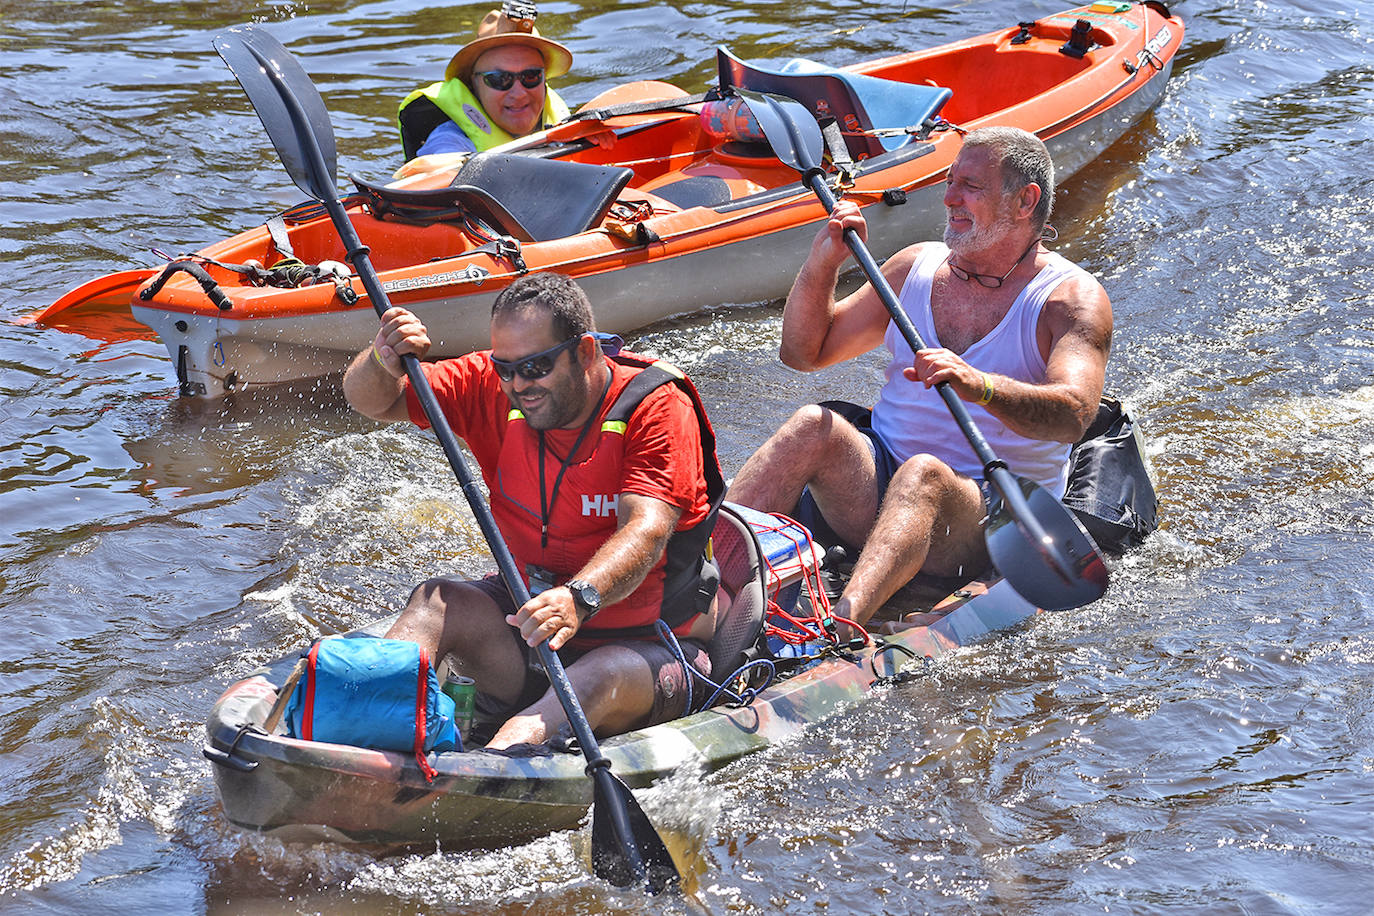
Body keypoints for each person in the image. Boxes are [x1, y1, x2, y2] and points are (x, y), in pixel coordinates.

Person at [727, 126, 1112, 635]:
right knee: (812, 424)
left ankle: (840, 630)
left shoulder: (1069, 300)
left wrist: (982, 386)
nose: (948, 197)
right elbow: (804, 354)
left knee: (924, 474)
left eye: (970, 186)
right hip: (876, 490)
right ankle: (696, 576)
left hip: (985, 519)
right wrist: (823, 263)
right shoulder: (915, 267)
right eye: (950, 181)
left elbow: (1074, 415)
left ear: (1025, 201)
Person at [342, 272, 725, 751]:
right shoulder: (490, 384)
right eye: (506, 368)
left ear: (586, 352)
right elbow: (372, 400)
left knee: (592, 677)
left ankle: (494, 764)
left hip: (644, 648)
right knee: (435, 600)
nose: (519, 384)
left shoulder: (656, 406)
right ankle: (358, 733)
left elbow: (646, 530)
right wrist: (383, 357)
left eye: (537, 366)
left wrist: (579, 599)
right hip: (530, 636)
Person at [396, 7, 574, 167]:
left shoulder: (566, 125)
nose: (519, 94)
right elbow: (435, 174)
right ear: (473, 84)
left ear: (544, 79)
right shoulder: (449, 142)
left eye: (531, 76)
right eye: (500, 79)